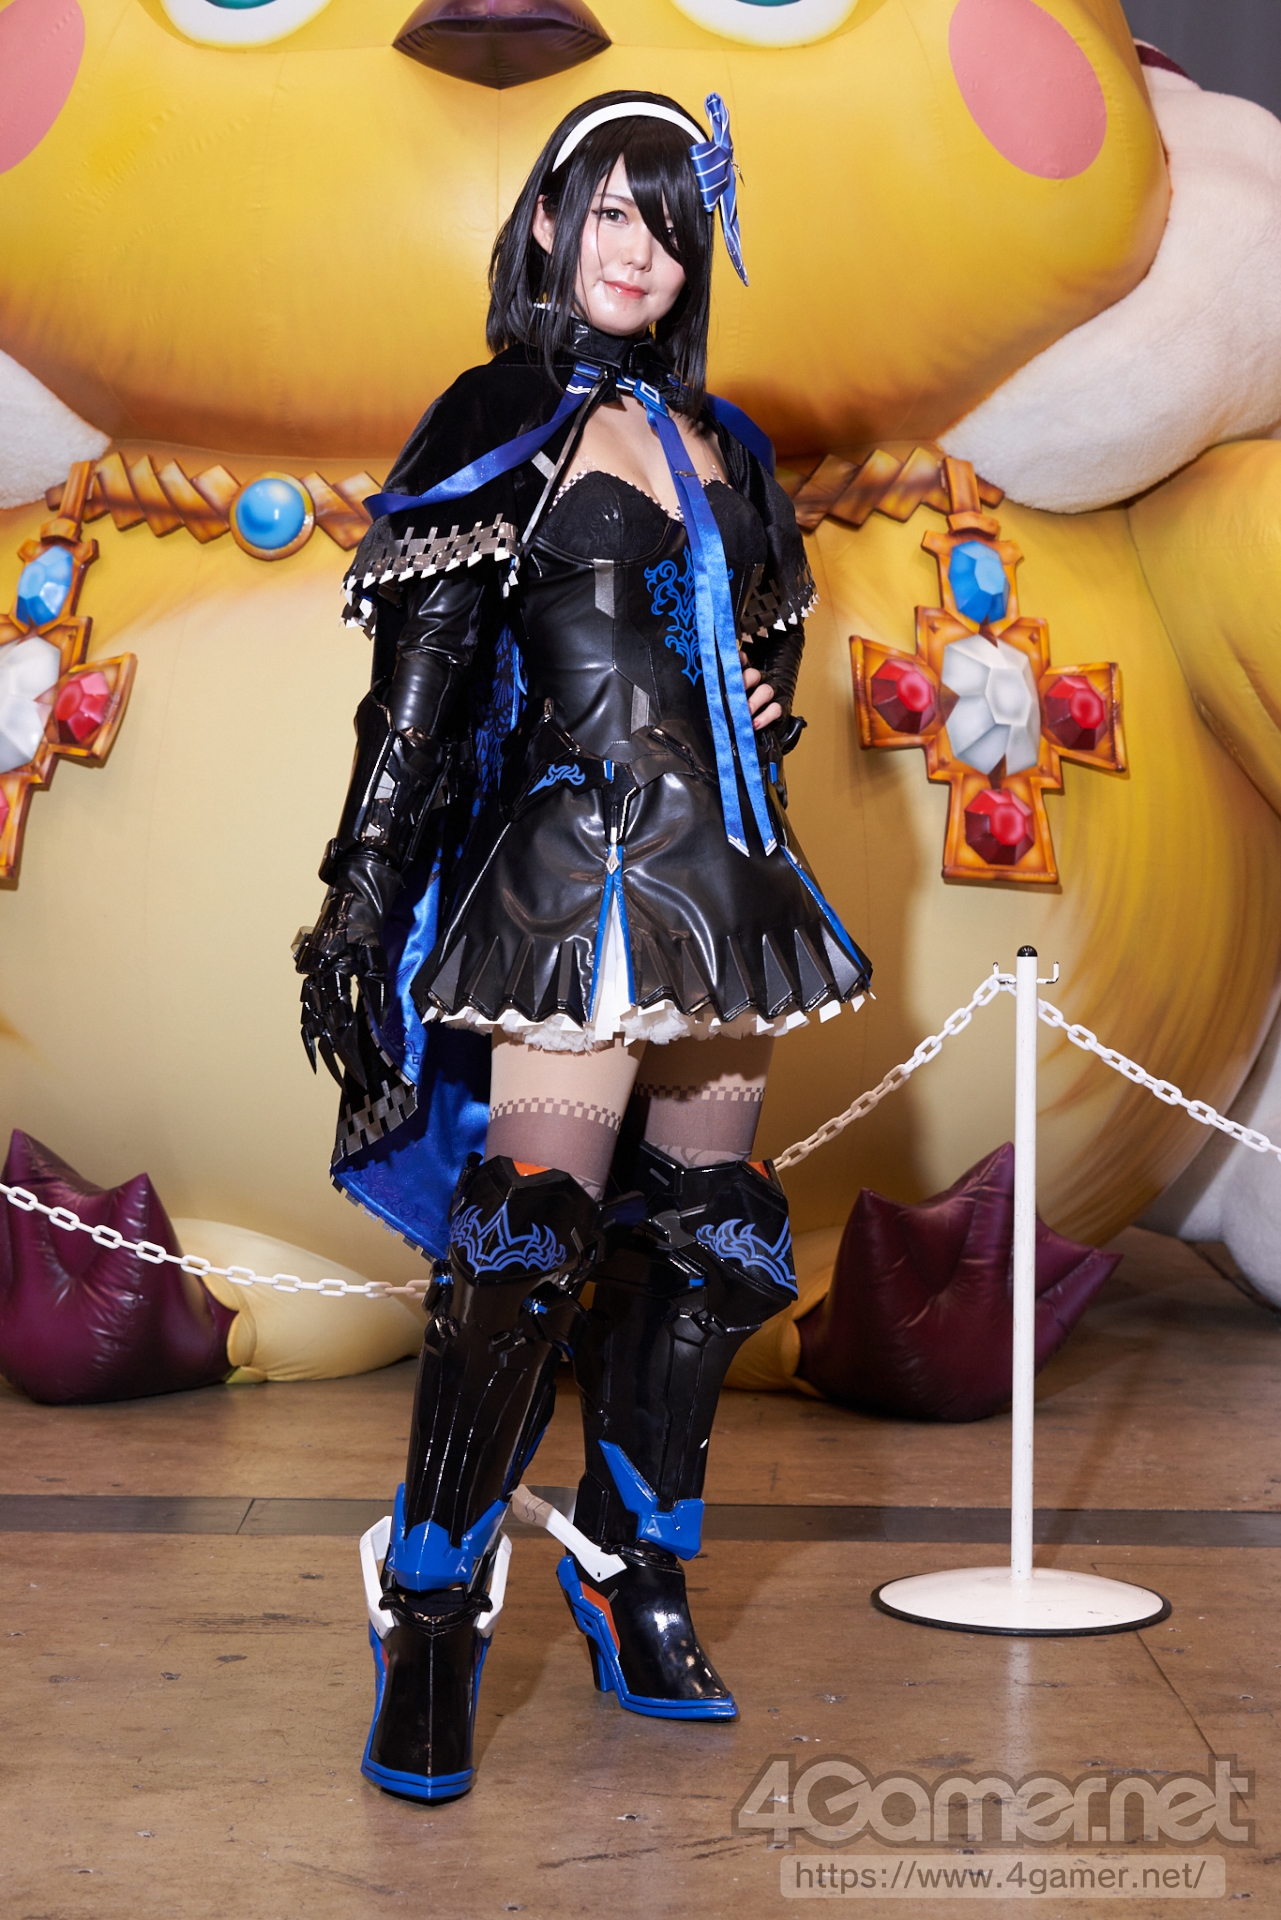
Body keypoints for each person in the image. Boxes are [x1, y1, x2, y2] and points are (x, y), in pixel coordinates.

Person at [295, 88, 871, 1803]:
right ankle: (429, 1608)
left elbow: (756, 656)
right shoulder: (494, 417)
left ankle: (634, 1574)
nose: (639, 252)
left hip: (725, 882)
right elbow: (414, 696)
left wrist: (758, 700)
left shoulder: (727, 443)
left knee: (707, 1245)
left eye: (670, 226)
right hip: (572, 878)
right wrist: (358, 891)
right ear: (548, 221)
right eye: (610, 212)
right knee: (524, 1248)